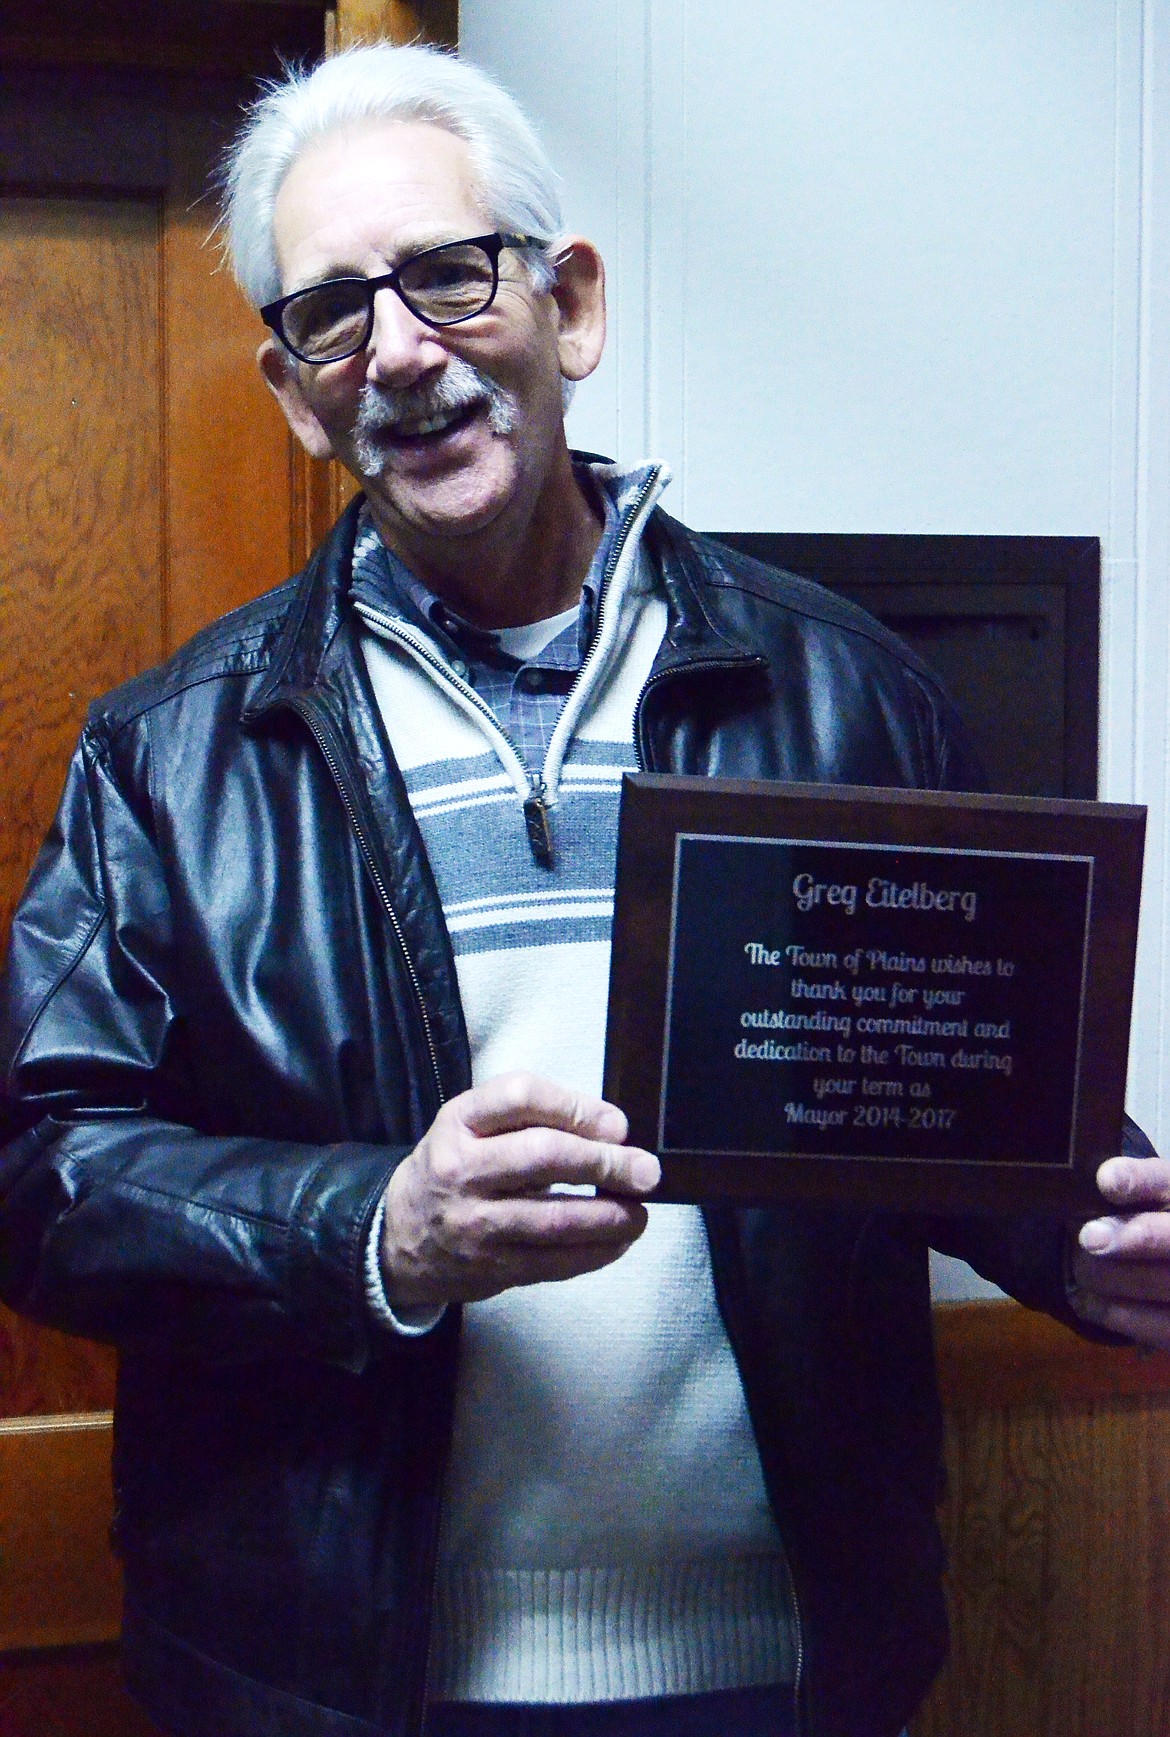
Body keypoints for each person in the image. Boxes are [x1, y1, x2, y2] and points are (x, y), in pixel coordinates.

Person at [0, 41, 1167, 1737]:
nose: (400, 350)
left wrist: (1088, 1237)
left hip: (775, 1664)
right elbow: (39, 1170)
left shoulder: (841, 691)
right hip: (334, 1685)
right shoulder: (172, 755)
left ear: (570, 306)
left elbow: (948, 1093)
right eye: (333, 313)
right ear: (292, 391)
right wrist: (377, 1229)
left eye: (450, 275)